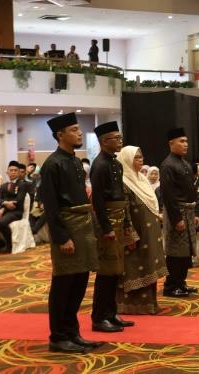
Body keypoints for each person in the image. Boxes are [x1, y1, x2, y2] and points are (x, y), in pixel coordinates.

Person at [41, 112, 101, 353]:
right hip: (66, 229)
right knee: (63, 285)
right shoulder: (52, 164)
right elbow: (51, 206)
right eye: (74, 130)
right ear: (60, 135)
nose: (79, 133)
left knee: (79, 283)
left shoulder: (76, 161)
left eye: (78, 129)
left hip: (82, 228)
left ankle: (72, 333)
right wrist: (62, 237)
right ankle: (58, 336)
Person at [90, 121, 134, 333]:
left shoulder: (115, 163)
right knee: (106, 271)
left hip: (119, 217)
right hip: (107, 221)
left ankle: (111, 312)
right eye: (116, 138)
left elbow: (121, 197)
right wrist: (106, 227)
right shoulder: (99, 165)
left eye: (120, 137)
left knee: (116, 270)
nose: (120, 141)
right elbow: (97, 200)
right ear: (104, 141)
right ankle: (99, 317)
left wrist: (125, 224)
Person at [116, 146, 167, 314]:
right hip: (136, 235)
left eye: (141, 157)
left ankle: (150, 304)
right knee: (135, 267)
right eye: (136, 158)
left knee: (149, 265)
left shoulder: (142, 179)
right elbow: (124, 211)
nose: (140, 160)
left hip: (149, 233)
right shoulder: (123, 182)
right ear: (126, 160)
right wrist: (129, 235)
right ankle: (132, 306)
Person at [160, 128, 199, 297]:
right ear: (171, 143)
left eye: (186, 141)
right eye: (181, 141)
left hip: (188, 212)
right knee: (176, 252)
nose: (185, 144)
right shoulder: (167, 165)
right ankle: (170, 286)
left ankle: (181, 283)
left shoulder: (185, 163)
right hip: (176, 213)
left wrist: (194, 213)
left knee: (186, 252)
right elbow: (168, 195)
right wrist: (176, 219)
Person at [0, 161, 27, 252]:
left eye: (15, 170)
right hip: (4, 210)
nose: (13, 172)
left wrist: (3, 208)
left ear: (19, 172)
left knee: (1, 223)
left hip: (16, 211)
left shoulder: (22, 185)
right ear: (7, 172)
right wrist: (5, 203)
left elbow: (18, 201)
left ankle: (9, 244)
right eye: (11, 170)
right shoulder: (3, 186)